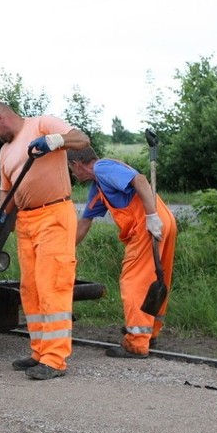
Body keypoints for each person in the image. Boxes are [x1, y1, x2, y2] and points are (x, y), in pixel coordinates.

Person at [0, 101, 91, 380]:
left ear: (1, 117)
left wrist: (55, 140)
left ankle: (55, 359)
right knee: (31, 289)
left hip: (54, 214)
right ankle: (39, 351)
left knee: (51, 284)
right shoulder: (5, 152)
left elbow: (82, 140)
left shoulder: (42, 125)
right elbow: (7, 191)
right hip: (26, 222)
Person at [67, 147, 177, 358]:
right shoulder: (98, 187)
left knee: (133, 281)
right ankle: (149, 333)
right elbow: (84, 224)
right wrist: (64, 250)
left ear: (78, 163)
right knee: (157, 280)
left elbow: (141, 180)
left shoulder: (102, 168)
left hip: (148, 225)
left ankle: (136, 343)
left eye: (71, 169)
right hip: (164, 223)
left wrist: (151, 216)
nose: (72, 174)